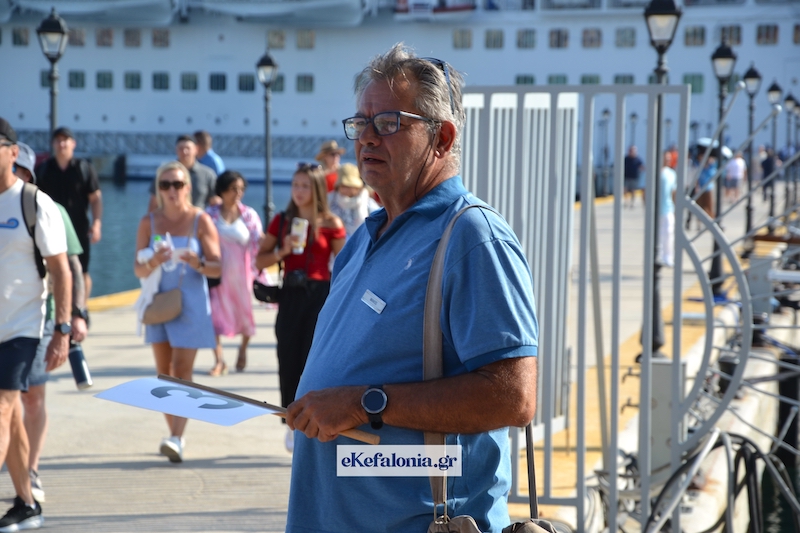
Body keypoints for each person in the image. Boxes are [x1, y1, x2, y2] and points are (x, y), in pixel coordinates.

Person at [283, 46, 539, 533]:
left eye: (388, 123)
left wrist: (361, 403)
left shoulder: (472, 237)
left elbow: (513, 398)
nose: (367, 137)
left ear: (442, 137)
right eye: (361, 123)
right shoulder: (362, 240)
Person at [0, 118, 71, 531]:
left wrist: (63, 329)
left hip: (21, 329)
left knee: (3, 406)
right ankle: (27, 503)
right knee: (10, 418)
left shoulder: (34, 203)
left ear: (13, 152)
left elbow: (61, 270)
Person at [14, 142, 88, 504]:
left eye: (18, 170)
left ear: (28, 174)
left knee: (31, 398)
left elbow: (71, 267)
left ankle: (31, 468)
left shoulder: (49, 208)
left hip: (40, 317)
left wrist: (76, 315)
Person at [133, 161, 221, 463]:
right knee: (165, 374)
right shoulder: (149, 222)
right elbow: (137, 269)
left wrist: (197, 262)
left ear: (188, 187)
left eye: (178, 184)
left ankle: (176, 437)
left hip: (191, 301)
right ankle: (174, 433)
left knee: (182, 371)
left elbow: (218, 266)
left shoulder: (201, 220)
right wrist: (154, 261)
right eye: (165, 184)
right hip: (160, 302)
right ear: (158, 189)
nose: (172, 190)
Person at [255, 163, 345, 452]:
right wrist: (282, 250)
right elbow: (259, 261)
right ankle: (290, 421)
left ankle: (314, 419)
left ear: (317, 189)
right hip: (291, 294)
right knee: (288, 357)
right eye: (295, 185)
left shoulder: (331, 222)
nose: (299, 191)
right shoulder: (282, 221)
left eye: (305, 185)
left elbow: (345, 264)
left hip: (320, 295)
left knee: (314, 359)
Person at [206, 171, 263, 376]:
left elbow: (259, 239)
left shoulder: (249, 215)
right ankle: (219, 360)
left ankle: (243, 349)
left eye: (241, 189)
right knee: (213, 317)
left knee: (245, 316)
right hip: (216, 274)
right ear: (222, 190)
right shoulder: (210, 214)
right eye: (233, 189)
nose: (238, 193)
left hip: (242, 274)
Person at [35, 126, 102, 298]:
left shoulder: (84, 169)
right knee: (52, 270)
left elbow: (95, 198)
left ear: (73, 144)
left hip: (79, 229)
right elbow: (33, 197)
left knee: (82, 271)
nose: (62, 144)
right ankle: (55, 305)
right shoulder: (44, 169)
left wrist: (96, 224)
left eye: (65, 140)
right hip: (50, 229)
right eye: (58, 141)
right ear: (53, 144)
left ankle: (82, 307)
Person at [148, 135, 219, 211]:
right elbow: (154, 202)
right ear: (176, 150)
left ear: (196, 149)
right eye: (181, 148)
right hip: (169, 217)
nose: (184, 152)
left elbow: (215, 202)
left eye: (188, 148)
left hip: (198, 216)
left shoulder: (207, 174)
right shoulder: (164, 174)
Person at [327, 162, 380, 238]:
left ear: (357, 188)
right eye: (342, 186)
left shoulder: (367, 202)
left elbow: (378, 223)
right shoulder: (329, 199)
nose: (345, 190)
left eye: (349, 186)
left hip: (360, 239)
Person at [658, 152, 677, 268]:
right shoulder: (655, 172)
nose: (668, 160)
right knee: (658, 234)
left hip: (668, 207)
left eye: (669, 159)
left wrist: (676, 207)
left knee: (669, 232)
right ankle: (658, 256)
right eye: (666, 158)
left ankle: (668, 257)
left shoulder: (672, 174)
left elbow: (673, 192)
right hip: (656, 209)